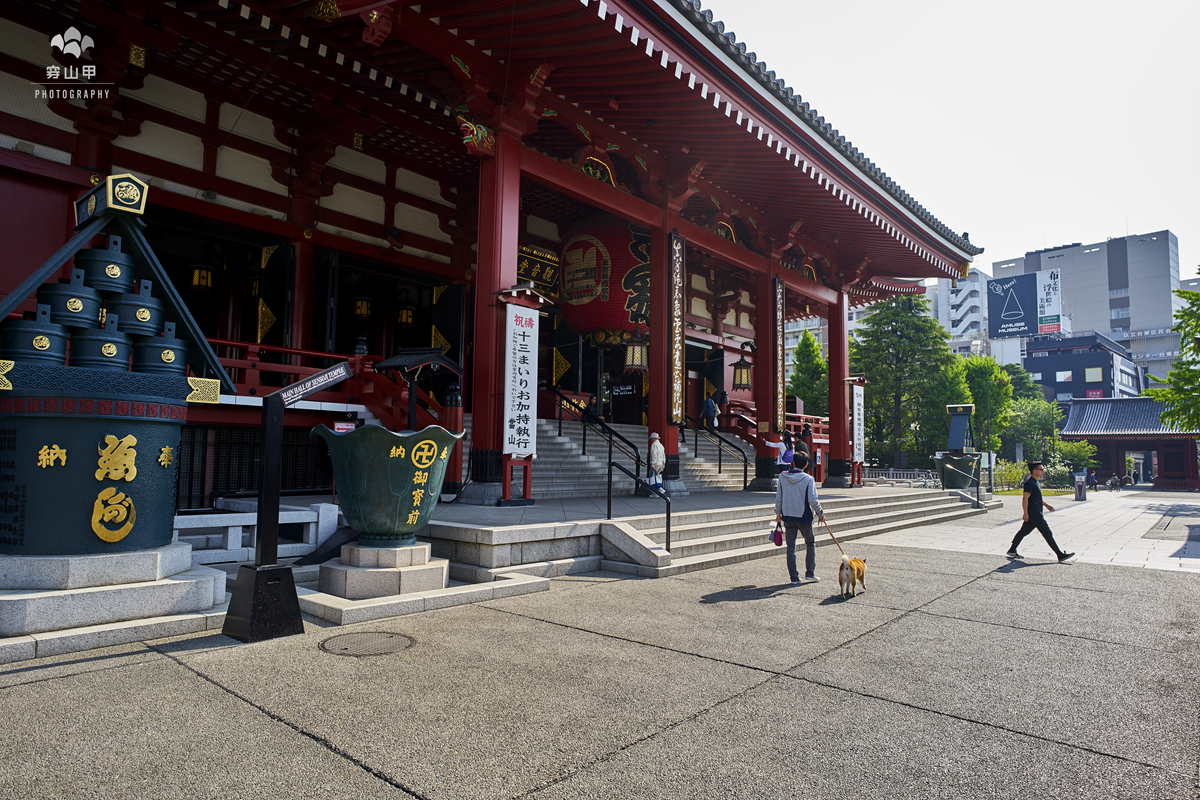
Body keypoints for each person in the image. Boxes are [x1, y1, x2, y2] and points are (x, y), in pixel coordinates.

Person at [1007, 461, 1074, 563]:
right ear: (1034, 471)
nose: (1043, 471)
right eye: (1041, 469)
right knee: (1047, 533)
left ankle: (1012, 550)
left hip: (1035, 512)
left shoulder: (1035, 482)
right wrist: (1025, 513)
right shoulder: (1029, 483)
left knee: (1023, 531)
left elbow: (1036, 498)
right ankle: (1059, 555)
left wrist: (1046, 505)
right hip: (1034, 514)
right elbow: (1025, 498)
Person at [775, 451, 826, 584]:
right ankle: (810, 573)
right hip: (804, 515)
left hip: (788, 515)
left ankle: (794, 577)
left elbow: (779, 497)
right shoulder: (809, 479)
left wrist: (778, 512)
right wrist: (820, 513)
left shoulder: (782, 477)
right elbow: (813, 500)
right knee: (810, 543)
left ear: (793, 463)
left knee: (791, 547)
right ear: (806, 465)